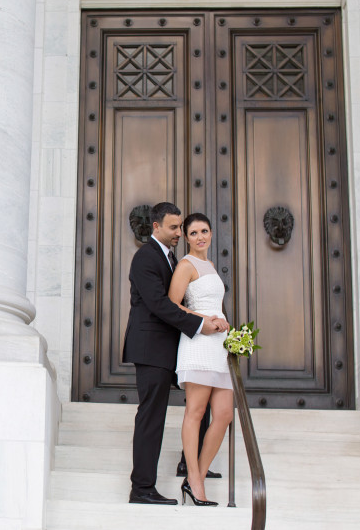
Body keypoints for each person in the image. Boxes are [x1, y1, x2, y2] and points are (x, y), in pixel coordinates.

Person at [123, 202, 227, 505]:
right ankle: (141, 488)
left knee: (203, 403)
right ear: (156, 227)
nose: (179, 233)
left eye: (181, 227)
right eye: (174, 227)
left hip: (170, 346)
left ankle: (188, 463)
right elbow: (159, 304)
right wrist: (200, 323)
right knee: (151, 417)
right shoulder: (145, 257)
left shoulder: (168, 257)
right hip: (151, 348)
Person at [168, 212, 235, 506]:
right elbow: (173, 305)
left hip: (219, 346)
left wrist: (228, 330)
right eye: (193, 233)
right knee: (195, 413)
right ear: (185, 236)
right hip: (197, 343)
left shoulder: (209, 265)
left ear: (210, 233)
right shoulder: (186, 265)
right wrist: (205, 319)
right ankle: (196, 482)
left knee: (224, 415)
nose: (200, 237)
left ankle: (197, 476)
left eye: (204, 231)